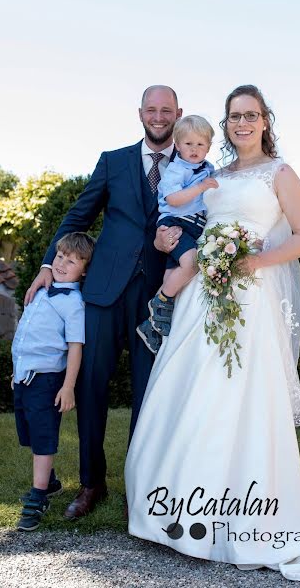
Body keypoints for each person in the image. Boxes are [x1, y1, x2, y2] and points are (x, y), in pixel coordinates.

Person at [125, 85, 300, 581]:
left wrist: (249, 261)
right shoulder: (215, 174)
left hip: (250, 301)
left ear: (265, 121)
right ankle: (174, 509)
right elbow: (186, 218)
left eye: (251, 115)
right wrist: (167, 235)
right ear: (226, 124)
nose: (242, 123)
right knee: (188, 389)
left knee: (239, 396)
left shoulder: (281, 173)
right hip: (202, 297)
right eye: (234, 116)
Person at [24, 86, 183, 520]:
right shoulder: (112, 161)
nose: (158, 116)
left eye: (166, 110)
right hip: (102, 294)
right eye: (151, 109)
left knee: (149, 393)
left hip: (158, 297)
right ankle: (92, 483)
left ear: (178, 114)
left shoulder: (193, 167)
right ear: (140, 113)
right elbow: (79, 215)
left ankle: (142, 484)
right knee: (90, 388)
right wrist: (44, 263)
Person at [12, 232, 95, 531]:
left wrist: (68, 385)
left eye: (71, 261)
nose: (62, 263)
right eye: (60, 256)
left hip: (47, 380)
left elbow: (75, 346)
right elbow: (26, 336)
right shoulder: (42, 289)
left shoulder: (73, 303)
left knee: (44, 440)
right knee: (31, 434)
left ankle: (37, 498)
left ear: (83, 270)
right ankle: (51, 482)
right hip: (24, 376)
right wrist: (17, 371)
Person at [137, 115, 217, 354]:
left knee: (175, 275)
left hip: (195, 226)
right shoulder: (177, 169)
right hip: (177, 222)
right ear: (178, 145)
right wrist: (201, 187)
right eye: (189, 144)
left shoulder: (208, 168)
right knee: (191, 263)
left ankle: (151, 327)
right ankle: (160, 301)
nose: (194, 149)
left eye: (200, 144)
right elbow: (173, 199)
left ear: (209, 147)